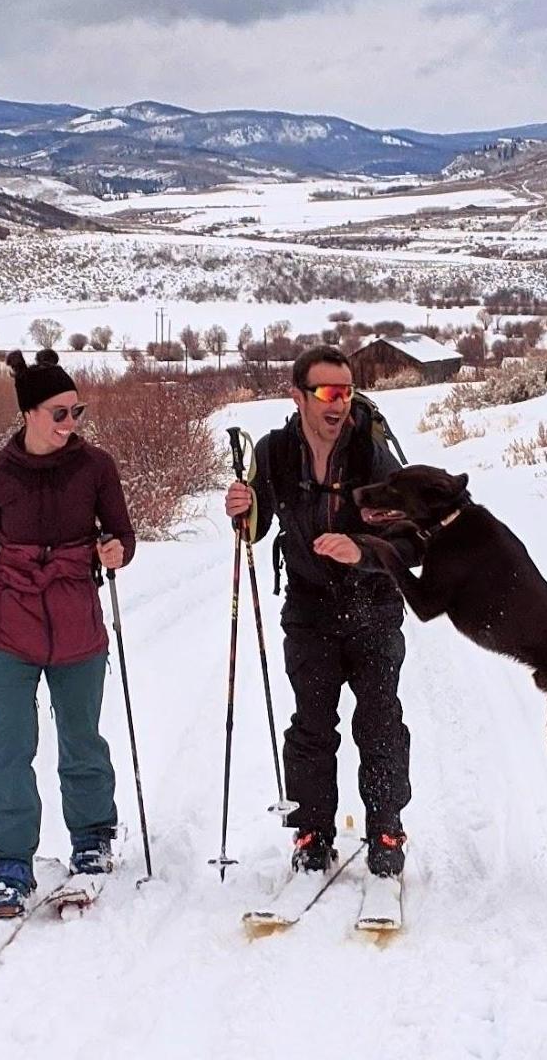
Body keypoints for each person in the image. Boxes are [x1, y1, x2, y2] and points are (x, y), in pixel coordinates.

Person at [0, 348, 135, 918]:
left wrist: (116, 551)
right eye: (61, 413)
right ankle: (11, 863)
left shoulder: (96, 467)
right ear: (30, 414)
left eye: (78, 412)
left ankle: (92, 838)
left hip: (76, 621)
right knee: (11, 747)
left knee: (81, 740)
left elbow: (122, 535)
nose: (73, 424)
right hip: (10, 628)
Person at [224, 346, 418, 879]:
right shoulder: (276, 452)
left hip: (373, 605)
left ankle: (385, 827)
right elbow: (257, 527)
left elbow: (412, 538)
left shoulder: (372, 455)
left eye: (346, 392)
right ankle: (313, 831)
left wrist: (362, 550)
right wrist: (242, 511)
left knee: (379, 720)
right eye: (328, 393)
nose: (338, 405)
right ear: (298, 396)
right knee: (311, 723)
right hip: (309, 608)